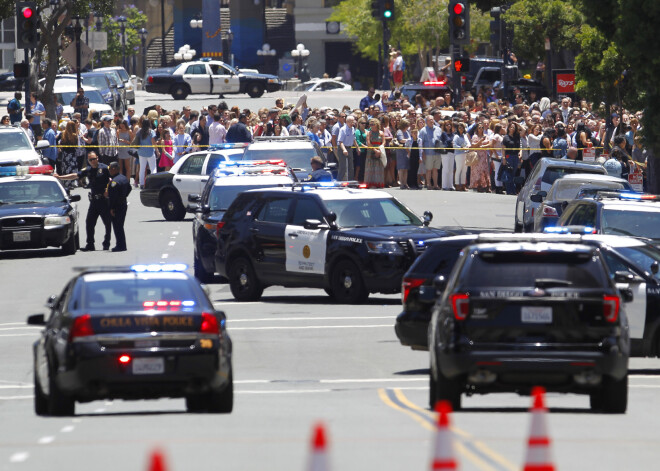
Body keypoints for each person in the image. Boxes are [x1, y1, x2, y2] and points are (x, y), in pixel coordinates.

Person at [55, 151, 112, 251]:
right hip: (94, 201)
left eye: (94, 159)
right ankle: (90, 244)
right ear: (88, 161)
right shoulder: (88, 170)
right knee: (89, 223)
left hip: (104, 200)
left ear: (97, 158)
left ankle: (106, 243)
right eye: (90, 160)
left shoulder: (104, 168)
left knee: (107, 223)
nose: (93, 161)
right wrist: (60, 177)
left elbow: (112, 179)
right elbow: (75, 175)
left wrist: (108, 189)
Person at [106, 162, 131, 252]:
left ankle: (120, 245)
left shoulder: (114, 182)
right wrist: (124, 196)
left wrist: (112, 208)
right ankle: (121, 244)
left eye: (110, 169)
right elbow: (129, 188)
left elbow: (113, 197)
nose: (109, 171)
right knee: (120, 225)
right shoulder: (123, 178)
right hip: (123, 204)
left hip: (117, 207)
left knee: (117, 226)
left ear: (114, 169)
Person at [418, 115, 442, 190]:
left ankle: (435, 185)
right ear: (426, 121)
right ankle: (428, 184)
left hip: (437, 153)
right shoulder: (423, 130)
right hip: (428, 153)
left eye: (432, 119)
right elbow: (420, 143)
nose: (431, 121)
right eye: (429, 120)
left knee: (435, 169)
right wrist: (422, 153)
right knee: (428, 170)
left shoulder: (438, 129)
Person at [136, 120, 158, 188]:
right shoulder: (151, 131)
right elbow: (153, 142)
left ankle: (141, 184)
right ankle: (154, 183)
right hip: (150, 152)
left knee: (142, 168)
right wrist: (157, 150)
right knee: (153, 168)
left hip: (141, 152)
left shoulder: (139, 131)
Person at [364, 118, 385, 188]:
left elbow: (384, 142)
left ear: (377, 124)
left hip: (379, 150)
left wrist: (379, 149)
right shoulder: (369, 133)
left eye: (373, 124)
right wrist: (375, 150)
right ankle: (370, 183)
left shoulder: (381, 133)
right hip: (371, 151)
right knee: (370, 167)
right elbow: (368, 142)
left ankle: (378, 183)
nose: (371, 126)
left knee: (378, 167)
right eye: (370, 124)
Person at [452, 122, 471, 191]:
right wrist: (461, 148)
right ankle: (457, 185)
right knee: (459, 169)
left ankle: (463, 185)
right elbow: (454, 145)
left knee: (464, 170)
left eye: (462, 128)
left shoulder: (465, 136)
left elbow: (468, 143)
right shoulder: (456, 136)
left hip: (465, 154)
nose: (461, 129)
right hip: (458, 154)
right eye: (460, 128)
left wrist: (467, 147)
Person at [337, 115, 356, 181]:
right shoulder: (343, 129)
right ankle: (339, 181)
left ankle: (351, 182)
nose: (352, 123)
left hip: (349, 148)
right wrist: (344, 150)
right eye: (350, 122)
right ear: (347, 122)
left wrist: (357, 147)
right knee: (343, 167)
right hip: (342, 148)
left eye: (353, 122)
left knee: (351, 167)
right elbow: (340, 141)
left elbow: (354, 139)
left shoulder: (353, 129)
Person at [395, 119, 411, 189]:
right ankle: (402, 183)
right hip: (401, 151)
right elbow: (401, 140)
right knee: (401, 168)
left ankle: (405, 182)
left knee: (406, 168)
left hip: (407, 151)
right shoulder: (399, 131)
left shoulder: (407, 132)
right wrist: (410, 140)